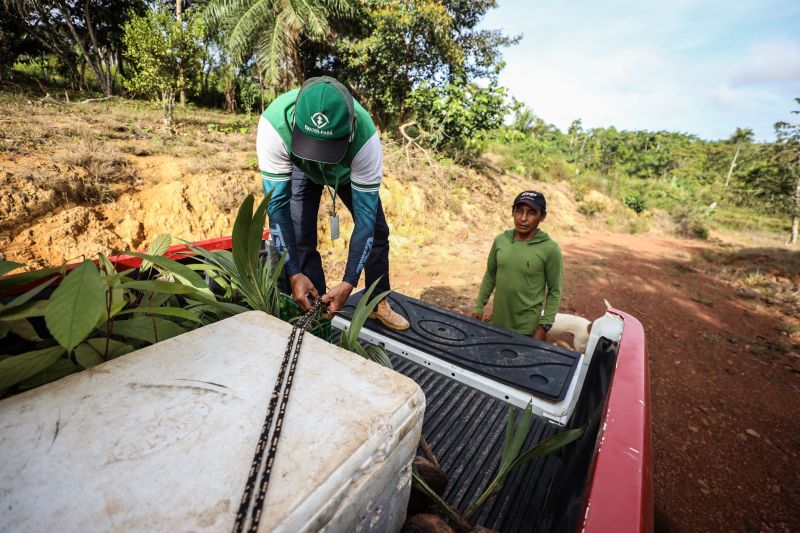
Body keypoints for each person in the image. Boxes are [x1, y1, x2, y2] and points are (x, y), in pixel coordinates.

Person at [256, 75, 409, 330]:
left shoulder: (365, 140)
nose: (321, 159)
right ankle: (314, 309)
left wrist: (349, 282)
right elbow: (277, 209)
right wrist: (293, 273)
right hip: (301, 166)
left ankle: (377, 302)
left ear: (352, 125)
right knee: (300, 237)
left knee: (378, 232)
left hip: (347, 171)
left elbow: (365, 221)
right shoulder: (274, 126)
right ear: (295, 122)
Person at [471, 191, 563, 340]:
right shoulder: (501, 241)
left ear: (542, 216)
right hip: (496, 324)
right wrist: (479, 306)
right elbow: (491, 274)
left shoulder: (550, 249)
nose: (523, 218)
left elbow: (555, 291)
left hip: (527, 330)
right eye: (519, 211)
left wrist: (544, 327)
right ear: (513, 212)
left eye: (532, 213)